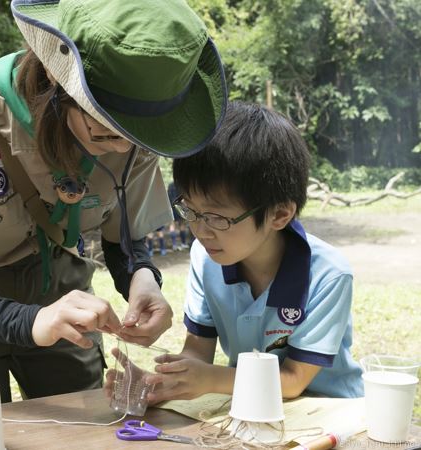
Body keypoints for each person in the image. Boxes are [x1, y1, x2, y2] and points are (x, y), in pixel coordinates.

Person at [0, 0, 227, 414]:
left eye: (138, 139)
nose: (125, 150)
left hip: (61, 286)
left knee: (81, 427)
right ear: (57, 87)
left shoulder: (135, 129)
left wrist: (141, 279)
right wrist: (28, 322)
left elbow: (124, 243)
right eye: (104, 135)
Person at [118, 101, 364, 402]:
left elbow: (292, 382)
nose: (201, 230)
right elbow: (198, 350)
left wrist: (211, 379)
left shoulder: (328, 275)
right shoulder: (206, 257)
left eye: (217, 218)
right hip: (252, 404)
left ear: (279, 215)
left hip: (328, 410)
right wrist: (161, 383)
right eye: (191, 211)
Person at [167, 181, 191, 251]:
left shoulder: (170, 185)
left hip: (171, 207)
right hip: (180, 207)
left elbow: (168, 196)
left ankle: (174, 245)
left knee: (172, 226)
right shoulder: (180, 185)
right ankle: (183, 244)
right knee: (182, 225)